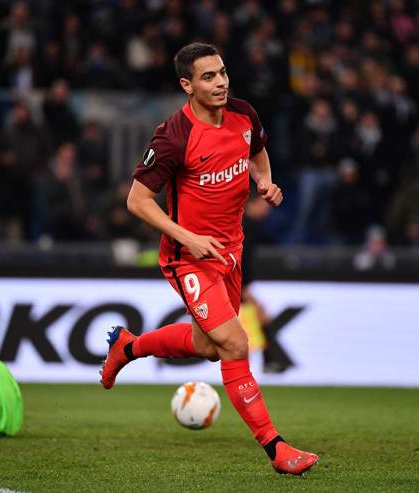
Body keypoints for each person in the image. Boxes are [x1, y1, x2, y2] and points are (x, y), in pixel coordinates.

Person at [100, 43, 318, 476]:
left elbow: (256, 151)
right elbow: (138, 201)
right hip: (189, 258)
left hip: (231, 251)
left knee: (207, 347)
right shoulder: (173, 136)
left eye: (222, 73)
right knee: (236, 343)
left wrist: (265, 182)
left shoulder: (243, 114)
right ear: (187, 85)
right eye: (207, 77)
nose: (220, 83)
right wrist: (189, 238)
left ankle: (129, 346)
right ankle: (276, 449)